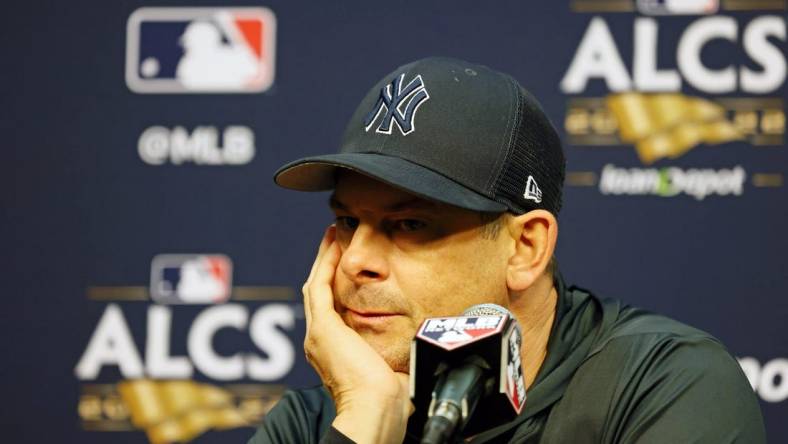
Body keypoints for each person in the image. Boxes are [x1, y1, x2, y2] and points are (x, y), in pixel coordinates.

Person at [248, 57, 765, 443]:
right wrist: (363, 419)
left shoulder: (660, 383)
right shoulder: (317, 421)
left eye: (409, 224)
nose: (356, 260)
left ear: (525, 247)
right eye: (347, 220)